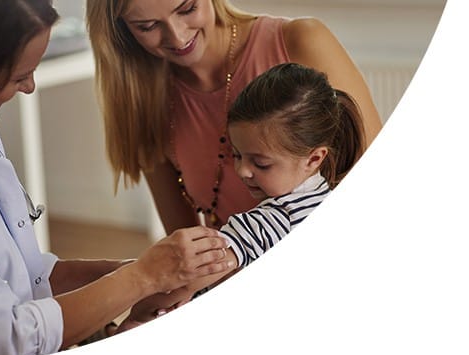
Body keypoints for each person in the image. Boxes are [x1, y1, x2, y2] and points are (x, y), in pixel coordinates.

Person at [0, 1, 234, 355]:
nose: (29, 87)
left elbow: (24, 277)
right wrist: (142, 278)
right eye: (18, 76)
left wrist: (139, 273)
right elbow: (0, 336)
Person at [85, 0, 382, 235]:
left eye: (187, 8)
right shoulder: (143, 100)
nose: (177, 36)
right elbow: (184, 241)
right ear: (121, 32)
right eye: (148, 26)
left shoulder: (301, 40)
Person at [113, 61, 366, 333]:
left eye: (261, 163)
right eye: (237, 155)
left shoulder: (267, 223)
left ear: (314, 158)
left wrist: (139, 314)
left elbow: (184, 280)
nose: (243, 170)